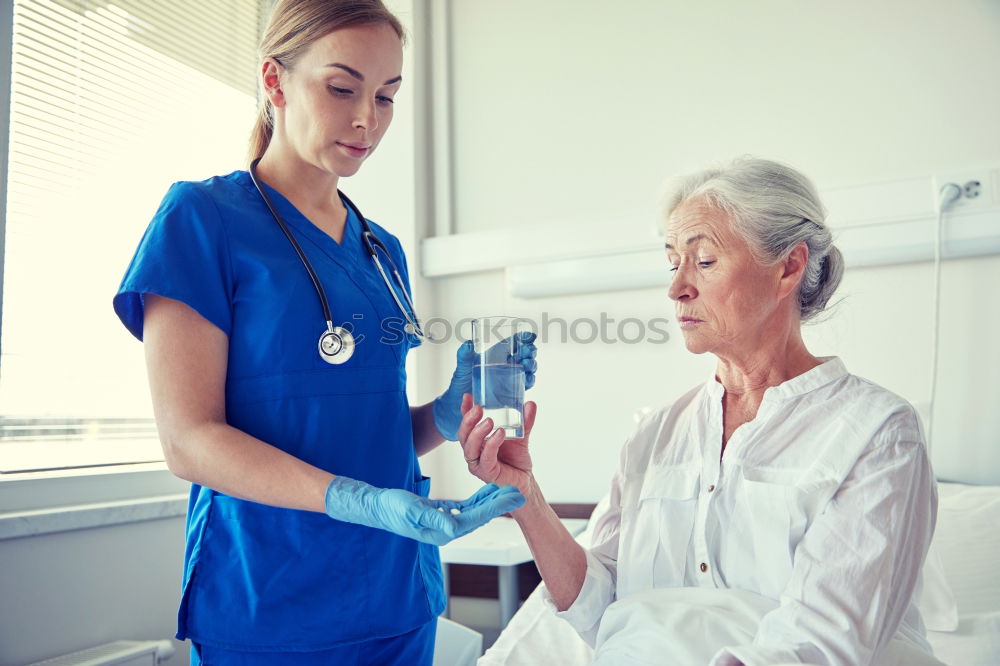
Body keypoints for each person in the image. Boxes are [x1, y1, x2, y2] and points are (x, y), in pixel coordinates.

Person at [112, 1, 536, 663]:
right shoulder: (202, 220)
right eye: (342, 88)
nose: (368, 119)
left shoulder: (381, 249)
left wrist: (446, 415)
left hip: (396, 598)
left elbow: (369, 426)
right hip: (269, 600)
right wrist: (356, 500)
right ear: (274, 82)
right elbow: (189, 441)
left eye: (387, 96)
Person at [458, 158, 942, 665]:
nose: (676, 288)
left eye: (705, 261)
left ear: (788, 267)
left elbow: (818, 645)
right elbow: (598, 612)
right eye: (673, 263)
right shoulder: (655, 434)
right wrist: (524, 496)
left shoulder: (877, 433)